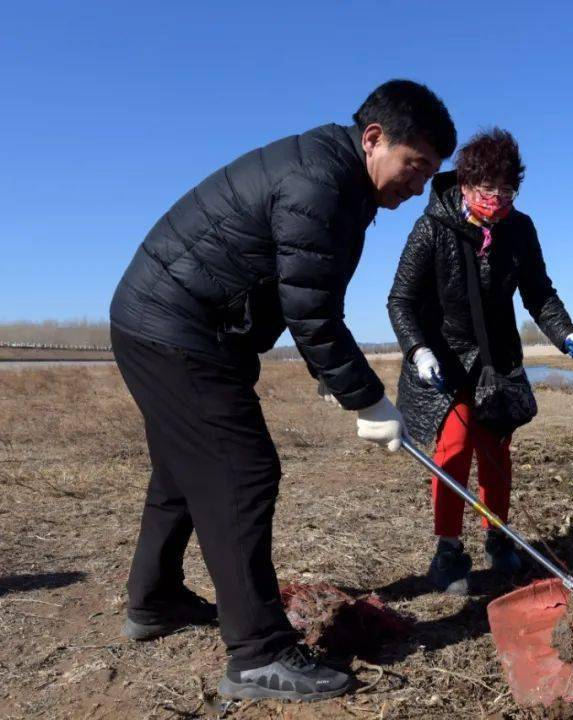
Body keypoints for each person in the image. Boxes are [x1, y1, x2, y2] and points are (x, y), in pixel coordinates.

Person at [109, 80, 456, 701]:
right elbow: (313, 315)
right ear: (374, 139)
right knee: (241, 472)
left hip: (183, 323)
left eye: (431, 173)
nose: (419, 183)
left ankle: (154, 601)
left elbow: (304, 292)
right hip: (176, 325)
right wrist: (368, 399)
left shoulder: (338, 179)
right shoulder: (319, 183)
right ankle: (259, 654)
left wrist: (333, 377)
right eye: (417, 165)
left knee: (183, 470)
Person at [387, 128, 573, 595]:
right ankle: (448, 548)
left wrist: (564, 332)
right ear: (466, 183)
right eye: (486, 189)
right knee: (452, 450)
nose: (497, 199)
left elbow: (539, 292)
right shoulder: (432, 227)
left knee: (495, 455)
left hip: (498, 362)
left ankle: (497, 534)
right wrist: (419, 350)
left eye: (507, 189)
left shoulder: (520, 229)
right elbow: (400, 300)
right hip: (446, 360)